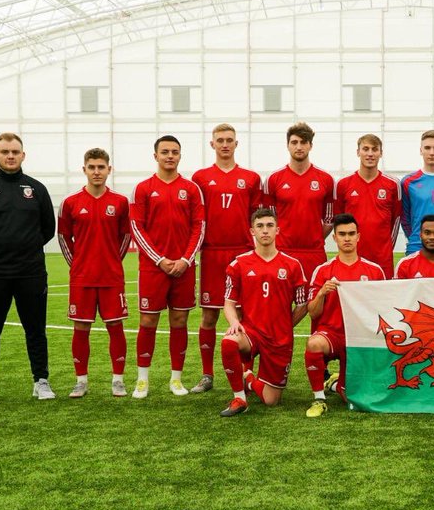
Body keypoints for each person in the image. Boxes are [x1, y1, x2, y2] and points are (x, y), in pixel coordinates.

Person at [0, 133, 55, 402]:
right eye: (5, 152)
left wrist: (26, 248)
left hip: (31, 272)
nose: (10, 156)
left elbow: (48, 229)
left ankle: (41, 380)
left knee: (35, 329)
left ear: (23, 155)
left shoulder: (36, 189)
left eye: (15, 151)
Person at [129, 135, 205, 398]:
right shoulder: (143, 188)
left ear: (180, 156)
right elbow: (137, 227)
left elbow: (199, 227)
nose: (170, 156)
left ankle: (176, 379)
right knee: (148, 320)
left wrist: (186, 259)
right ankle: (142, 380)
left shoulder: (191, 189)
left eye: (174, 152)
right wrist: (159, 259)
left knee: (179, 320)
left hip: (184, 267)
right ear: (156, 156)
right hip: (153, 268)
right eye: (165, 152)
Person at [191, 124, 263, 393]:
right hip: (212, 253)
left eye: (229, 140)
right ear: (212, 144)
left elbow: (257, 219)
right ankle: (207, 374)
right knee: (209, 315)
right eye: (220, 140)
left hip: (242, 253)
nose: (224, 144)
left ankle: (247, 372)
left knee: (244, 315)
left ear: (236, 144)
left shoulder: (251, 178)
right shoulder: (200, 178)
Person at [218, 208, 309, 417]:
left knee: (271, 401)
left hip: (279, 338)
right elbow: (229, 303)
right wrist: (234, 322)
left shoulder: (293, 265)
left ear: (278, 230)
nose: (265, 230)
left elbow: (302, 305)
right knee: (229, 341)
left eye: (269, 225)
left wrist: (285, 325)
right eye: (260, 226)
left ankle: (249, 378)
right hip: (251, 332)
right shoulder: (238, 264)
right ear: (252, 231)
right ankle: (240, 398)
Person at [58, 148, 132, 398]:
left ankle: (118, 380)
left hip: (111, 277)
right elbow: (63, 237)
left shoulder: (120, 202)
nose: (97, 172)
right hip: (82, 278)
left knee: (115, 326)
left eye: (101, 167)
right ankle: (81, 381)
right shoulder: (70, 203)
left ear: (109, 169)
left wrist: (112, 261)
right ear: (84, 170)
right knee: (81, 327)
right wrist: (77, 264)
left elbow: (125, 236)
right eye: (92, 167)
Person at [303, 214, 387, 417]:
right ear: (334, 238)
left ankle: (336, 383)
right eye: (342, 234)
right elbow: (312, 312)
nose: (347, 238)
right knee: (313, 344)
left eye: (351, 234)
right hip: (331, 334)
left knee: (353, 397)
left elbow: (383, 310)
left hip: (359, 338)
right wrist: (322, 293)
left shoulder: (374, 271)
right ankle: (319, 399)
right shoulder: (323, 271)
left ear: (358, 236)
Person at [264, 122, 336, 282]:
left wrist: (314, 237)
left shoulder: (326, 179)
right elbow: (269, 218)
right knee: (281, 296)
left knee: (316, 296)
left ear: (311, 145)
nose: (299, 147)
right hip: (282, 251)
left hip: (314, 252)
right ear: (287, 145)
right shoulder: (273, 179)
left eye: (303, 142)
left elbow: (330, 219)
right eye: (294, 142)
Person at [334, 134, 401, 278]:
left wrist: (386, 248)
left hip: (382, 259)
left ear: (381, 153)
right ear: (358, 152)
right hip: (352, 259)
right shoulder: (343, 184)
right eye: (365, 149)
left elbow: (396, 220)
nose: (370, 154)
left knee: (383, 293)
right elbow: (338, 222)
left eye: (374, 149)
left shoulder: (393, 184)